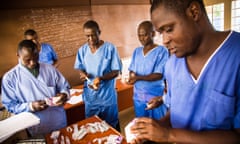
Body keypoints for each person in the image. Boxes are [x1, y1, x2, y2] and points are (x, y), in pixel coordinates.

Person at [128, 0, 240, 144]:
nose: (164, 41)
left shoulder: (235, 57)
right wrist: (155, 128)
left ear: (194, 12)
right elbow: (175, 111)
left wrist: (169, 135)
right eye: (160, 33)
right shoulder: (172, 64)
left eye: (168, 29)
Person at [1, 40, 70, 137]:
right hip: (36, 127)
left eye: (35, 57)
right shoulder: (10, 78)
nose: (32, 62)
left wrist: (64, 94)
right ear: (18, 55)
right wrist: (30, 106)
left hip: (58, 121)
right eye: (27, 59)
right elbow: (10, 105)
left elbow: (64, 86)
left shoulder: (50, 69)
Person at [74, 20, 122, 131]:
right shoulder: (82, 50)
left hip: (107, 98)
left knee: (111, 129)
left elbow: (116, 71)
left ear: (99, 33)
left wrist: (101, 78)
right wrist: (82, 73)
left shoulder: (110, 48)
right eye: (87, 36)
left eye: (93, 35)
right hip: (91, 99)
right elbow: (80, 67)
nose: (90, 39)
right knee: (92, 127)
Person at [127, 20, 169, 120]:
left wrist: (138, 78)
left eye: (145, 35)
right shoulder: (137, 51)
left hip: (155, 96)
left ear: (153, 34)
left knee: (159, 125)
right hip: (138, 97)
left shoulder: (161, 51)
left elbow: (159, 74)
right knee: (142, 124)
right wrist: (132, 76)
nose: (142, 38)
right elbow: (132, 69)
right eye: (139, 35)